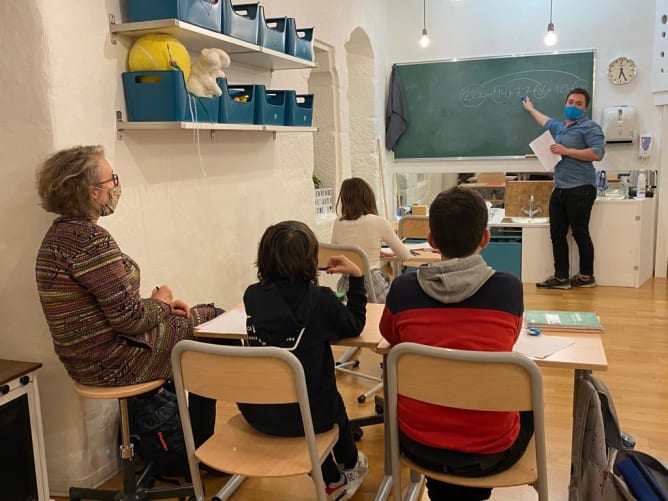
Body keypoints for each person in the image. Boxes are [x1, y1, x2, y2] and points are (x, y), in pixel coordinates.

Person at [35, 145, 220, 446]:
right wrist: (161, 301)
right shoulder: (90, 241)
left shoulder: (57, 237)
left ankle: (178, 438)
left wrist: (163, 309)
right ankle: (198, 448)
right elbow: (131, 320)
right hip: (113, 360)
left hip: (85, 360)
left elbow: (116, 309)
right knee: (213, 324)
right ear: (93, 192)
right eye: (112, 180)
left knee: (193, 319)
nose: (116, 187)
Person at [379, 187, 533, 501]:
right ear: (485, 238)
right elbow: (507, 340)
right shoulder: (508, 289)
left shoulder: (403, 290)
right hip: (489, 455)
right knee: (530, 405)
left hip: (416, 444)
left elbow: (391, 337)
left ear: (431, 240)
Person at [238, 220, 369, 501]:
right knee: (329, 402)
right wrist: (357, 278)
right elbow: (355, 324)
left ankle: (331, 476)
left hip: (259, 414)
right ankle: (348, 466)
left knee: (305, 398)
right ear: (310, 260)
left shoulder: (252, 296)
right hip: (312, 420)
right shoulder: (321, 300)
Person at [522, 88, 605, 289]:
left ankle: (586, 277)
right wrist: (531, 109)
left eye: (579, 103)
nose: (573, 106)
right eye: (570, 102)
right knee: (557, 234)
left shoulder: (590, 127)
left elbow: (597, 153)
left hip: (581, 188)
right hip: (560, 188)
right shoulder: (560, 128)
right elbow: (545, 121)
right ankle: (561, 278)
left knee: (579, 233)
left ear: (585, 107)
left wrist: (567, 151)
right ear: (565, 103)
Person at [331, 177, 411, 303]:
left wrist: (367, 253)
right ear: (368, 197)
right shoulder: (379, 221)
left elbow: (335, 256)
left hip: (345, 287)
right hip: (372, 286)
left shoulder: (338, 222)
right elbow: (405, 256)